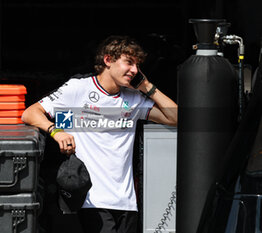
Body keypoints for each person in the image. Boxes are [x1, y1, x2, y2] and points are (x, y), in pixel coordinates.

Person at [21, 35, 177, 233]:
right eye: (129, 62)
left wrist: (147, 87)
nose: (135, 70)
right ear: (108, 60)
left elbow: (176, 118)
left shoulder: (134, 98)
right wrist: (56, 131)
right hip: (92, 201)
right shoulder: (79, 89)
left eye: (137, 65)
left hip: (127, 204)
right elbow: (30, 113)